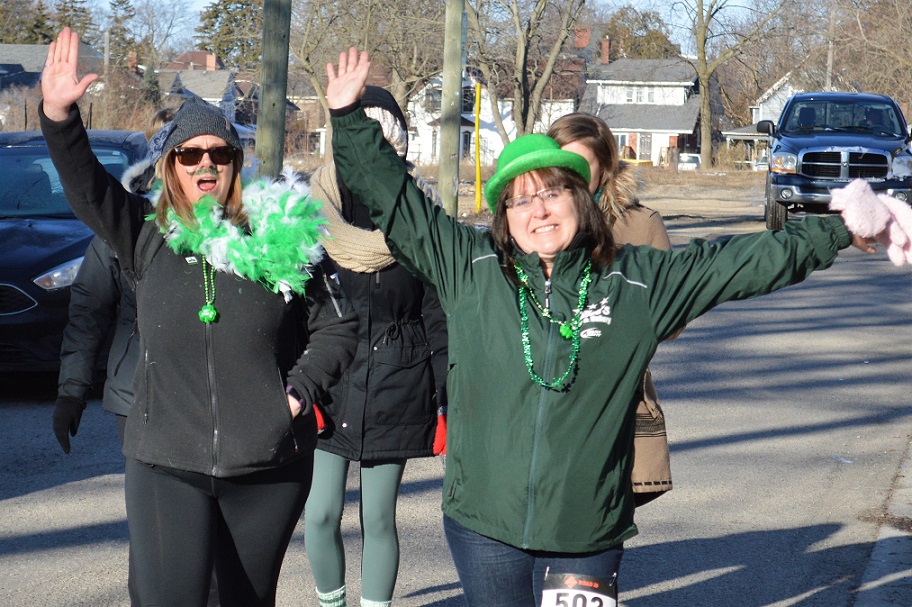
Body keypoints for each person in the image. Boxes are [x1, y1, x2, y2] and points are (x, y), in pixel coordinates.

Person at [322, 48, 884, 607]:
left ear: (580, 199)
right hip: (483, 524)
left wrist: (836, 230)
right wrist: (348, 119)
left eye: (551, 192)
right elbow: (394, 200)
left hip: (586, 531)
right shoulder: (468, 266)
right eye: (519, 201)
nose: (537, 210)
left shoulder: (636, 280)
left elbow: (741, 264)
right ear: (503, 217)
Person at [40, 28, 358, 607]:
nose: (205, 163)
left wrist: (295, 394)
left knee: (245, 599)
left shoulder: (283, 238)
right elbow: (87, 188)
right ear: (169, 165)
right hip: (165, 458)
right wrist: (60, 114)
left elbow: (339, 324)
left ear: (237, 164)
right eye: (190, 154)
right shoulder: (142, 234)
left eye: (220, 153)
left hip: (268, 461)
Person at [304, 85, 449, 607]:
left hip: (399, 381)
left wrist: (447, 391)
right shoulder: (309, 214)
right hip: (328, 381)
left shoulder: (421, 219)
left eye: (383, 136)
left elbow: (438, 312)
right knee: (319, 513)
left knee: (379, 517)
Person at [548, 113, 674, 506]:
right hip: (542, 401)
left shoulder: (640, 227)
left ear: (605, 168)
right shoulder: (530, 222)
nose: (569, 175)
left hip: (615, 406)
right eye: (559, 164)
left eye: (581, 165)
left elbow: (673, 318)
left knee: (598, 540)